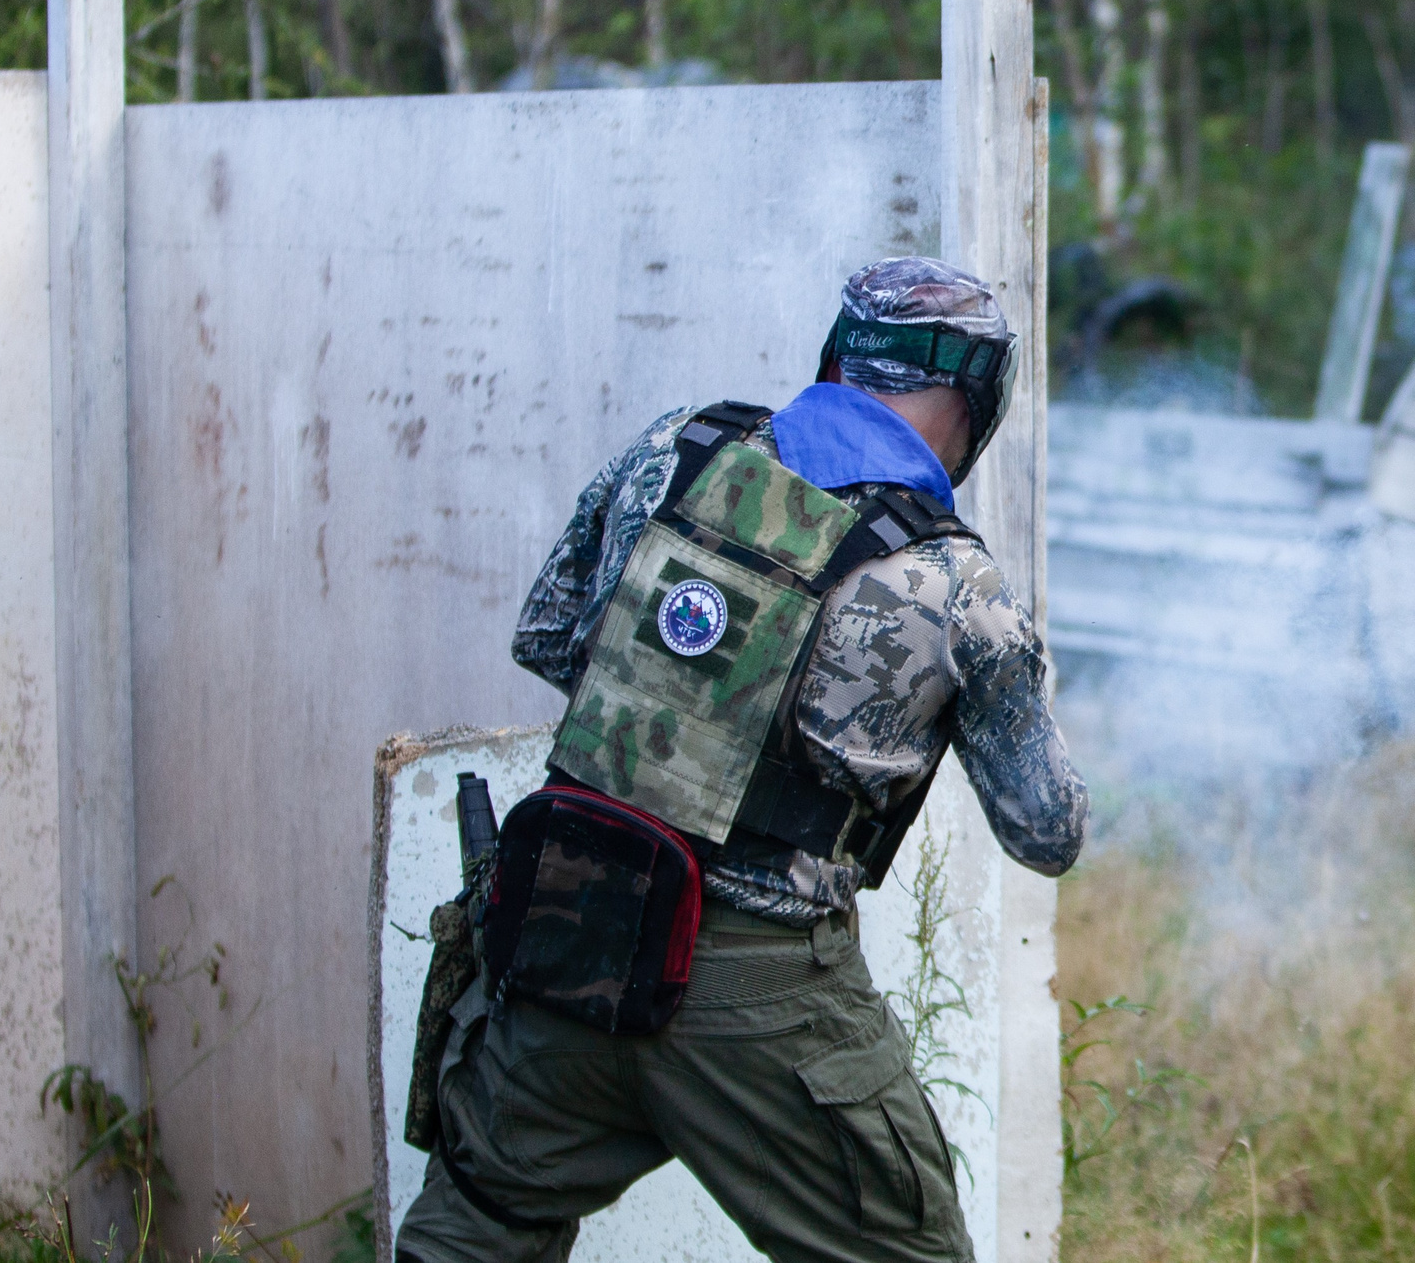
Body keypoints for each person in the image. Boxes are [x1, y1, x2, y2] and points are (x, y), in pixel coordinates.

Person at [397, 257, 1088, 1263]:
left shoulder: (675, 447)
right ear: (978, 404)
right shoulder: (957, 584)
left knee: (474, 1231)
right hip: (760, 996)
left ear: (837, 356)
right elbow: (1046, 833)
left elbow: (549, 635)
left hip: (565, 931)